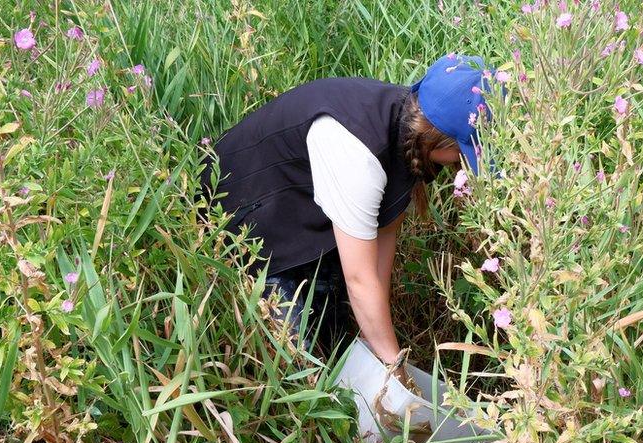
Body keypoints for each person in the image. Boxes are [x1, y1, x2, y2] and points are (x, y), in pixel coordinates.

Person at [198, 53, 494, 368]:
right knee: (303, 363)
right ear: (440, 140)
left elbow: (385, 234)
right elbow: (360, 278)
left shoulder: (408, 131)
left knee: (338, 334)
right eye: (463, 152)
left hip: (301, 208)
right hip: (240, 214)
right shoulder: (358, 154)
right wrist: (394, 368)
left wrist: (375, 341)